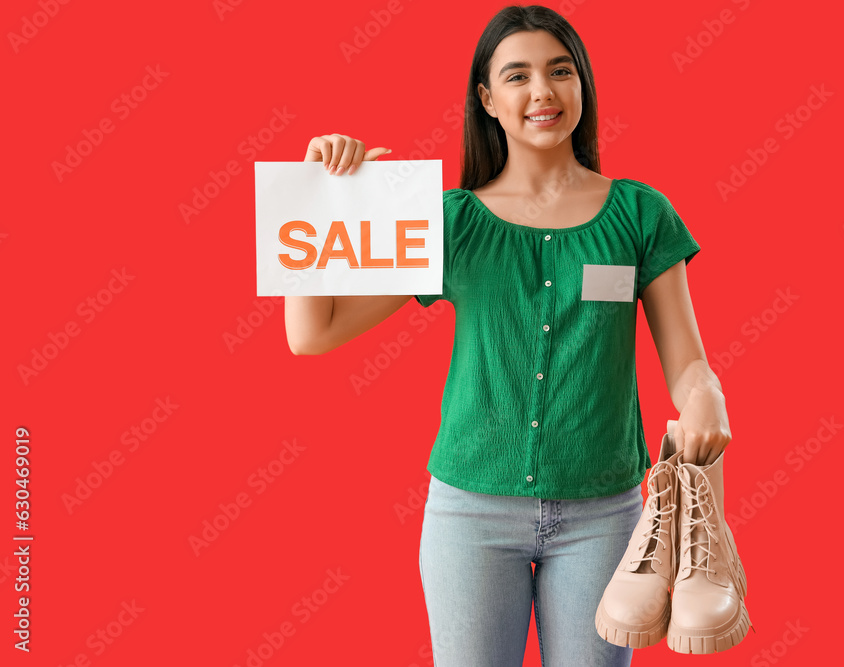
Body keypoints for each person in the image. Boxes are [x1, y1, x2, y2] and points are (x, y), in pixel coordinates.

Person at [284, 5, 733, 665]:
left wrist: (707, 396)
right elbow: (312, 333)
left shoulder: (642, 213)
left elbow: (688, 361)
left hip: (603, 517)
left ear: (582, 84)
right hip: (469, 516)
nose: (542, 91)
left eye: (560, 71)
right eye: (517, 76)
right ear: (488, 99)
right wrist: (314, 197)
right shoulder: (450, 222)